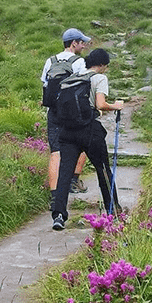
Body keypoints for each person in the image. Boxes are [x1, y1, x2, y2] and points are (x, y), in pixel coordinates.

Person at [50, 48, 124, 230]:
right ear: (102, 64)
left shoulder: (72, 78)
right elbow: (100, 104)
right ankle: (113, 211)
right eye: (106, 65)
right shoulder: (99, 78)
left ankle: (58, 215)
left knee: (65, 174)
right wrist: (116, 106)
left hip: (67, 132)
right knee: (103, 170)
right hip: (89, 130)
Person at [41, 28, 91, 195]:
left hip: (54, 112)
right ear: (73, 43)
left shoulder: (50, 61)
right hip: (74, 114)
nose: (83, 46)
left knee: (55, 152)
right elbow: (84, 88)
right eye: (81, 42)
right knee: (83, 144)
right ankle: (73, 181)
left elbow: (45, 85)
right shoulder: (79, 62)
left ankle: (55, 196)